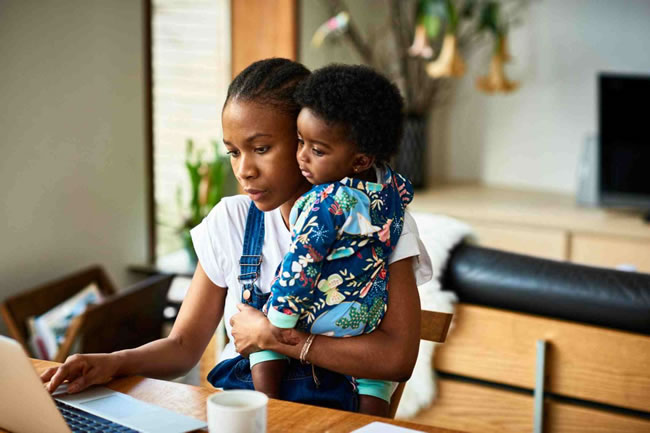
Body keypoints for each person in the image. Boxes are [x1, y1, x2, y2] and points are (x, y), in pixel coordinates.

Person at [41, 58, 430, 414]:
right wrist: (111, 362)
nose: (244, 170)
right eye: (233, 152)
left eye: (261, 148)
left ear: (304, 137)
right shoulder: (231, 221)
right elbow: (182, 347)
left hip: (334, 415)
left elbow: (396, 359)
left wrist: (274, 338)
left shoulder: (379, 223)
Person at [227, 64, 412, 417]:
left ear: (359, 159)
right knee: (374, 391)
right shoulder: (393, 190)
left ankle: (267, 409)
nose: (303, 156)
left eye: (317, 149)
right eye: (300, 142)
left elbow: (301, 264)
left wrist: (276, 329)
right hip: (362, 323)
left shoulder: (323, 204)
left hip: (317, 322)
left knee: (264, 332)